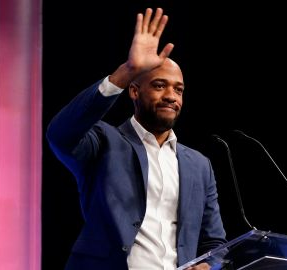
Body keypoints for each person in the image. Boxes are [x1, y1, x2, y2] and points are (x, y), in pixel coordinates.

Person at [46, 7, 227, 270]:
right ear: (134, 91)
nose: (171, 96)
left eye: (178, 90)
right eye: (159, 85)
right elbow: (59, 134)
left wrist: (209, 265)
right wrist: (127, 70)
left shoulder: (199, 165)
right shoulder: (104, 141)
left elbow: (214, 244)